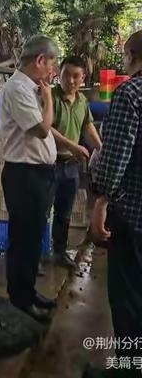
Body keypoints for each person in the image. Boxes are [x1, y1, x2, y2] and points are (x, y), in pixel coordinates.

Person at [91, 30, 142, 377]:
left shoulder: (130, 93)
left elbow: (114, 160)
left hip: (133, 218)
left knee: (129, 300)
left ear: (132, 56)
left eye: (125, 56)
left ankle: (128, 369)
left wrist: (100, 202)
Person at [0, 35, 59, 322]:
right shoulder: (18, 89)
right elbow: (42, 129)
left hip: (38, 174)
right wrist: (48, 100)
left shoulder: (29, 87)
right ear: (39, 60)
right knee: (22, 239)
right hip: (24, 176)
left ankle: (29, 290)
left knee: (34, 238)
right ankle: (20, 299)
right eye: (52, 63)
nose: (52, 70)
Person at [50, 56, 102, 269]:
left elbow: (88, 125)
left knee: (64, 212)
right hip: (49, 164)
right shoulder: (50, 96)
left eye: (76, 76)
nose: (70, 80)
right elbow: (46, 128)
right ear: (58, 74)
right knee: (42, 211)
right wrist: (73, 146)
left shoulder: (82, 101)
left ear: (83, 78)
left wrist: (101, 148)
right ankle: (34, 256)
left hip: (71, 167)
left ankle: (59, 253)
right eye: (66, 75)